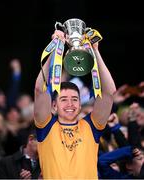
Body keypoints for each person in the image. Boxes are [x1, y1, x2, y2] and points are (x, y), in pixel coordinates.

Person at [34, 29, 116, 179]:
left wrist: (95, 52)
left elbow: (109, 92)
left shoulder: (91, 127)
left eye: (74, 99)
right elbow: (40, 90)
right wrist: (54, 49)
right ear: (54, 106)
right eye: (63, 99)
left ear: (80, 105)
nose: (70, 104)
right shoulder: (46, 126)